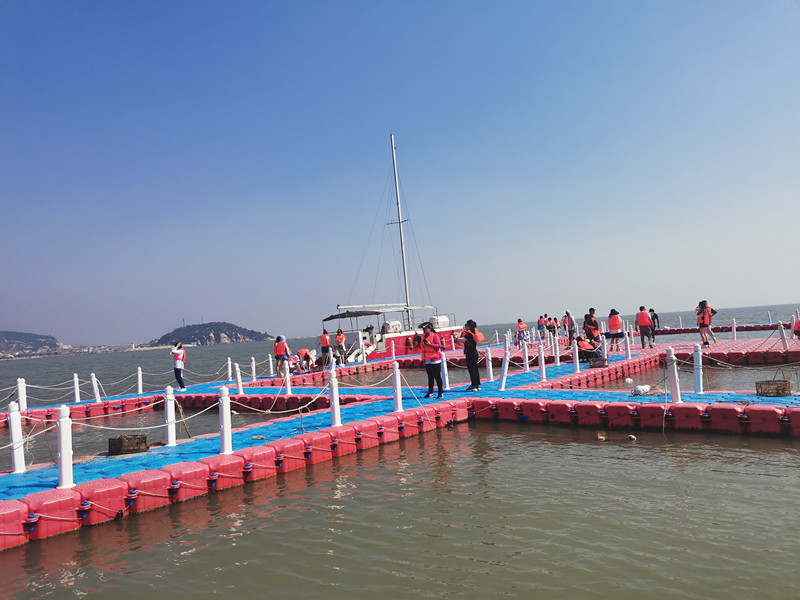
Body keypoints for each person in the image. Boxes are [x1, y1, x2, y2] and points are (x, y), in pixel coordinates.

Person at [456, 319, 484, 391]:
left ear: (470, 326)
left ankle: (473, 385)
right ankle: (477, 385)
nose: (465, 327)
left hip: (470, 353)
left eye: (466, 325)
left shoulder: (469, 334)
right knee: (475, 369)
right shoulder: (473, 333)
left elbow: (462, 340)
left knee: (471, 369)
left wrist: (456, 338)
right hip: (474, 353)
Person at [420, 322, 443, 399]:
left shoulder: (434, 336)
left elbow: (439, 345)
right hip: (427, 359)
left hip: (435, 359)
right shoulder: (424, 337)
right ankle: (430, 392)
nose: (423, 330)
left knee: (437, 376)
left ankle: (440, 392)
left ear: (429, 328)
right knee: (430, 377)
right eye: (423, 329)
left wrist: (430, 344)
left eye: (425, 328)